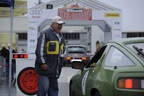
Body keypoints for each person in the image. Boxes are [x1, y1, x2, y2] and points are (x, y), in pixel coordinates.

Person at [35, 16, 65, 96]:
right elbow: (40, 50)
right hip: (45, 70)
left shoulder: (61, 36)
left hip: (55, 70)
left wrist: (61, 64)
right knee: (43, 91)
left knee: (54, 91)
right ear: (53, 24)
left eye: (61, 24)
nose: (60, 26)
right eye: (58, 24)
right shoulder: (45, 34)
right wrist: (43, 63)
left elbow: (62, 52)